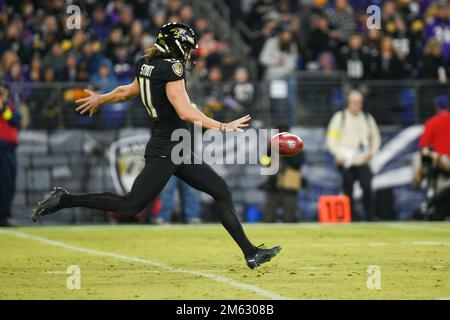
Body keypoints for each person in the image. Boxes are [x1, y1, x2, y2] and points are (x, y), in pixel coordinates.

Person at [32, 23, 280, 269]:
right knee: (131, 205)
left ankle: (250, 252)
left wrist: (101, 98)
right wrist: (223, 126)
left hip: (176, 146)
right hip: (168, 147)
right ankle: (65, 199)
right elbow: (184, 111)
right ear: (176, 45)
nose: (188, 54)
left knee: (221, 190)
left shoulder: (147, 63)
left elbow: (126, 92)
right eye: (187, 48)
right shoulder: (172, 67)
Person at [326, 90, 381, 221]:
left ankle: (369, 216)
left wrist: (372, 153)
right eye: (354, 102)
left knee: (367, 187)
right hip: (346, 160)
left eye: (359, 102)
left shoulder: (367, 118)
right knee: (348, 189)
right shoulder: (340, 117)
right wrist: (338, 154)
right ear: (348, 103)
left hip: (362, 160)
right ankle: (350, 216)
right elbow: (331, 138)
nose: (356, 105)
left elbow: (376, 138)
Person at [0, 82, 21, 227]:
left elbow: (15, 120)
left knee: (9, 183)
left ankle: (5, 214)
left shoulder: (11, 107)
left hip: (9, 149)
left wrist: (3, 109)